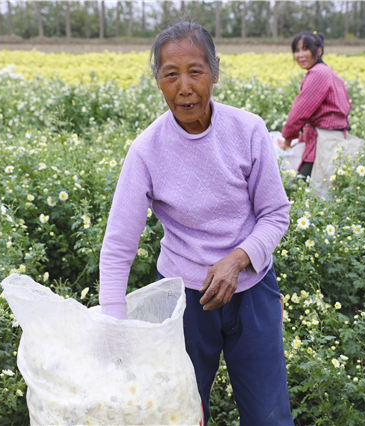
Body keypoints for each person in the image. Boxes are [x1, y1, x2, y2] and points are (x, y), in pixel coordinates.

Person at [99, 21, 295, 426]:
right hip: (184, 301)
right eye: (171, 74)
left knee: (268, 416)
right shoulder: (147, 150)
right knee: (179, 413)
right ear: (158, 81)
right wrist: (112, 323)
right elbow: (120, 242)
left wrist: (239, 259)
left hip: (252, 290)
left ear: (215, 72)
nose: (184, 86)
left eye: (195, 71)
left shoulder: (248, 130)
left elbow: (275, 213)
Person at [280, 31, 352, 185]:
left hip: (322, 143)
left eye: (305, 49)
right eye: (296, 50)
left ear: (318, 51)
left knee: (299, 189)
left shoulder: (317, 73)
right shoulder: (329, 72)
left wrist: (287, 140)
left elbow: (299, 112)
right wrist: (300, 140)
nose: (300, 55)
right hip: (333, 140)